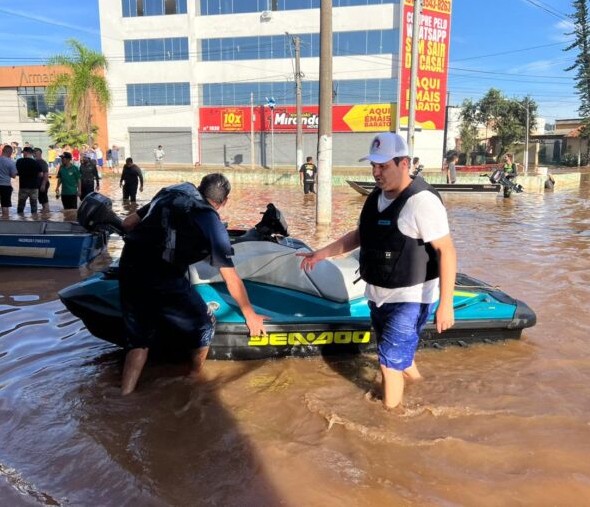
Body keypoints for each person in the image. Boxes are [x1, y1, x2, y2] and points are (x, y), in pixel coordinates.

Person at [298, 132, 457, 410]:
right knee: (395, 356)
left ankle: (389, 420)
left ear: (403, 164)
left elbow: (447, 251)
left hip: (411, 297)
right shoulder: (376, 196)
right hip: (378, 295)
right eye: (373, 165)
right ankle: (425, 390)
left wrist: (446, 305)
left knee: (388, 364)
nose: (376, 172)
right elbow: (361, 235)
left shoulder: (422, 202)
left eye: (383, 166)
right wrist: (321, 253)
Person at [118, 174, 269, 394]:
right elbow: (230, 276)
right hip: (163, 276)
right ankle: (195, 378)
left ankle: (125, 393)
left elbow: (128, 223)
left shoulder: (172, 191)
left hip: (130, 267)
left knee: (139, 339)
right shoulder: (211, 221)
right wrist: (250, 315)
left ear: (199, 187)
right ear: (224, 201)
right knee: (205, 324)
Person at [15, 147, 43, 214]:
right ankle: (34, 218)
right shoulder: (35, 162)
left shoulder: (19, 161)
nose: (22, 154)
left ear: (25, 152)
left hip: (23, 186)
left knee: (21, 205)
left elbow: (16, 173)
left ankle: (20, 218)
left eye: (23, 152)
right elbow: (41, 174)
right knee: (34, 205)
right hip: (34, 187)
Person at [34, 148, 51, 213]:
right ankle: (44, 209)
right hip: (40, 183)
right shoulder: (36, 161)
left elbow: (46, 173)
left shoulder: (41, 162)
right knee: (41, 197)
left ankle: (46, 210)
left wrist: (43, 184)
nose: (34, 154)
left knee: (43, 197)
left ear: (40, 153)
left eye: (35, 153)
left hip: (43, 183)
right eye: (34, 153)